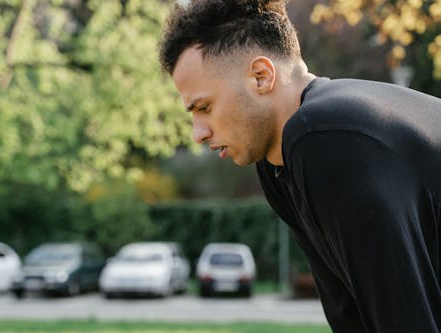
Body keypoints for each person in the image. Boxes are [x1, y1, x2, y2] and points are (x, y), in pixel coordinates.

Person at [158, 0, 441, 332]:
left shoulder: (326, 137)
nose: (198, 133)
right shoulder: (279, 163)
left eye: (204, 106)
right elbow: (349, 315)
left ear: (261, 77)